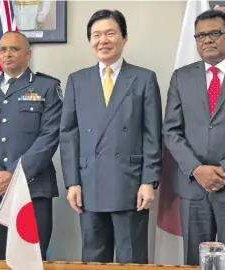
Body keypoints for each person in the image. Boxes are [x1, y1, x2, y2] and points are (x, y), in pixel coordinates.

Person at [60, 9, 162, 264]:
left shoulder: (144, 78)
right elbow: (69, 134)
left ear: (124, 38)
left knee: (132, 258)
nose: (102, 40)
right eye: (96, 35)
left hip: (131, 185)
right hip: (89, 183)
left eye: (110, 33)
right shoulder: (77, 80)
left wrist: (149, 181)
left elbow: (152, 134)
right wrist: (72, 182)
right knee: (94, 258)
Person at [163, 9, 225, 267]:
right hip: (194, 188)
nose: (207, 40)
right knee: (194, 261)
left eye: (215, 33)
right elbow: (171, 130)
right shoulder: (182, 77)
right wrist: (197, 169)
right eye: (201, 35)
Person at [0, 31, 62, 260]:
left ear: (28, 54)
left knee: (32, 258)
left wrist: (15, 174)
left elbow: (50, 135)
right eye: (3, 49)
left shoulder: (47, 87)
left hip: (33, 188)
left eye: (15, 49)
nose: (8, 54)